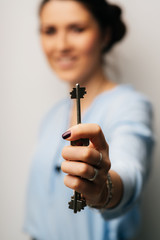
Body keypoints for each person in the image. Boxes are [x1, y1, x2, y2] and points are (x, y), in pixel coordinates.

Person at [23, 0, 154, 240]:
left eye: (77, 29)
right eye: (50, 31)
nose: (61, 45)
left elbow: (129, 171)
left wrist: (104, 191)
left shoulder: (128, 106)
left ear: (105, 35)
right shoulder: (51, 117)